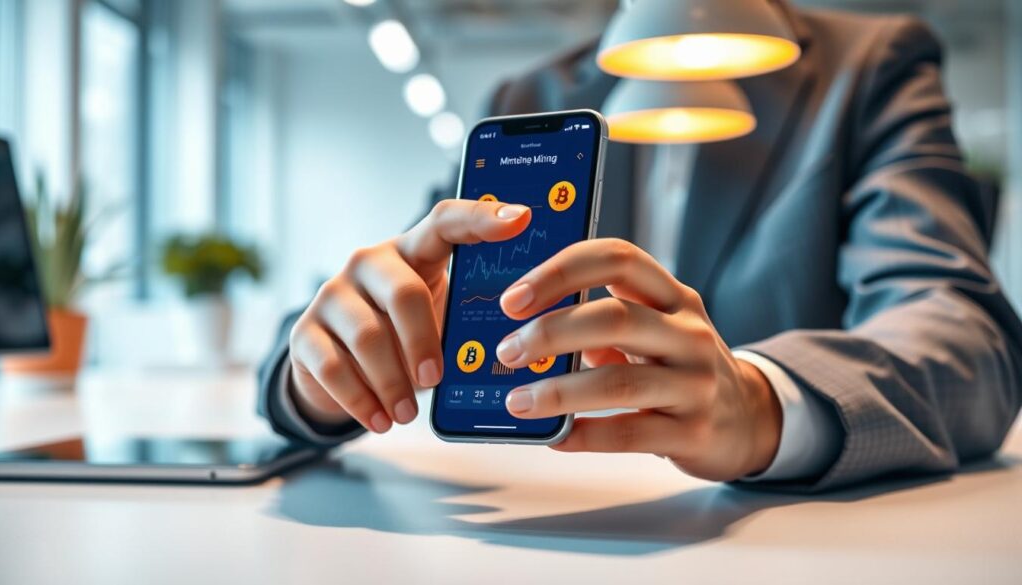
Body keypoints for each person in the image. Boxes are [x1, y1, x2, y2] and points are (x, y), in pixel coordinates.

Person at [257, 0, 1022, 490]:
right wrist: (326, 372)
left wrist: (763, 403)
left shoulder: (869, 68)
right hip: (543, 527)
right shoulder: (531, 99)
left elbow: (964, 336)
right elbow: (413, 288)